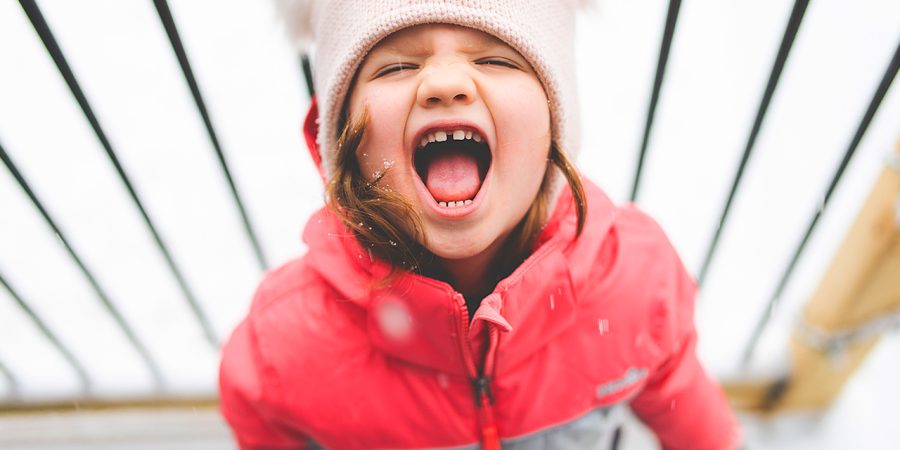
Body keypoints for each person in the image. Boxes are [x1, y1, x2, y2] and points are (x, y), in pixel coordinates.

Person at [219, 1, 741, 448]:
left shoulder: (632, 280)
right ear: (339, 141)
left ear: (556, 122)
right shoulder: (287, 345)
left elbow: (687, 407)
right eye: (396, 67)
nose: (445, 83)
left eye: (495, 58)